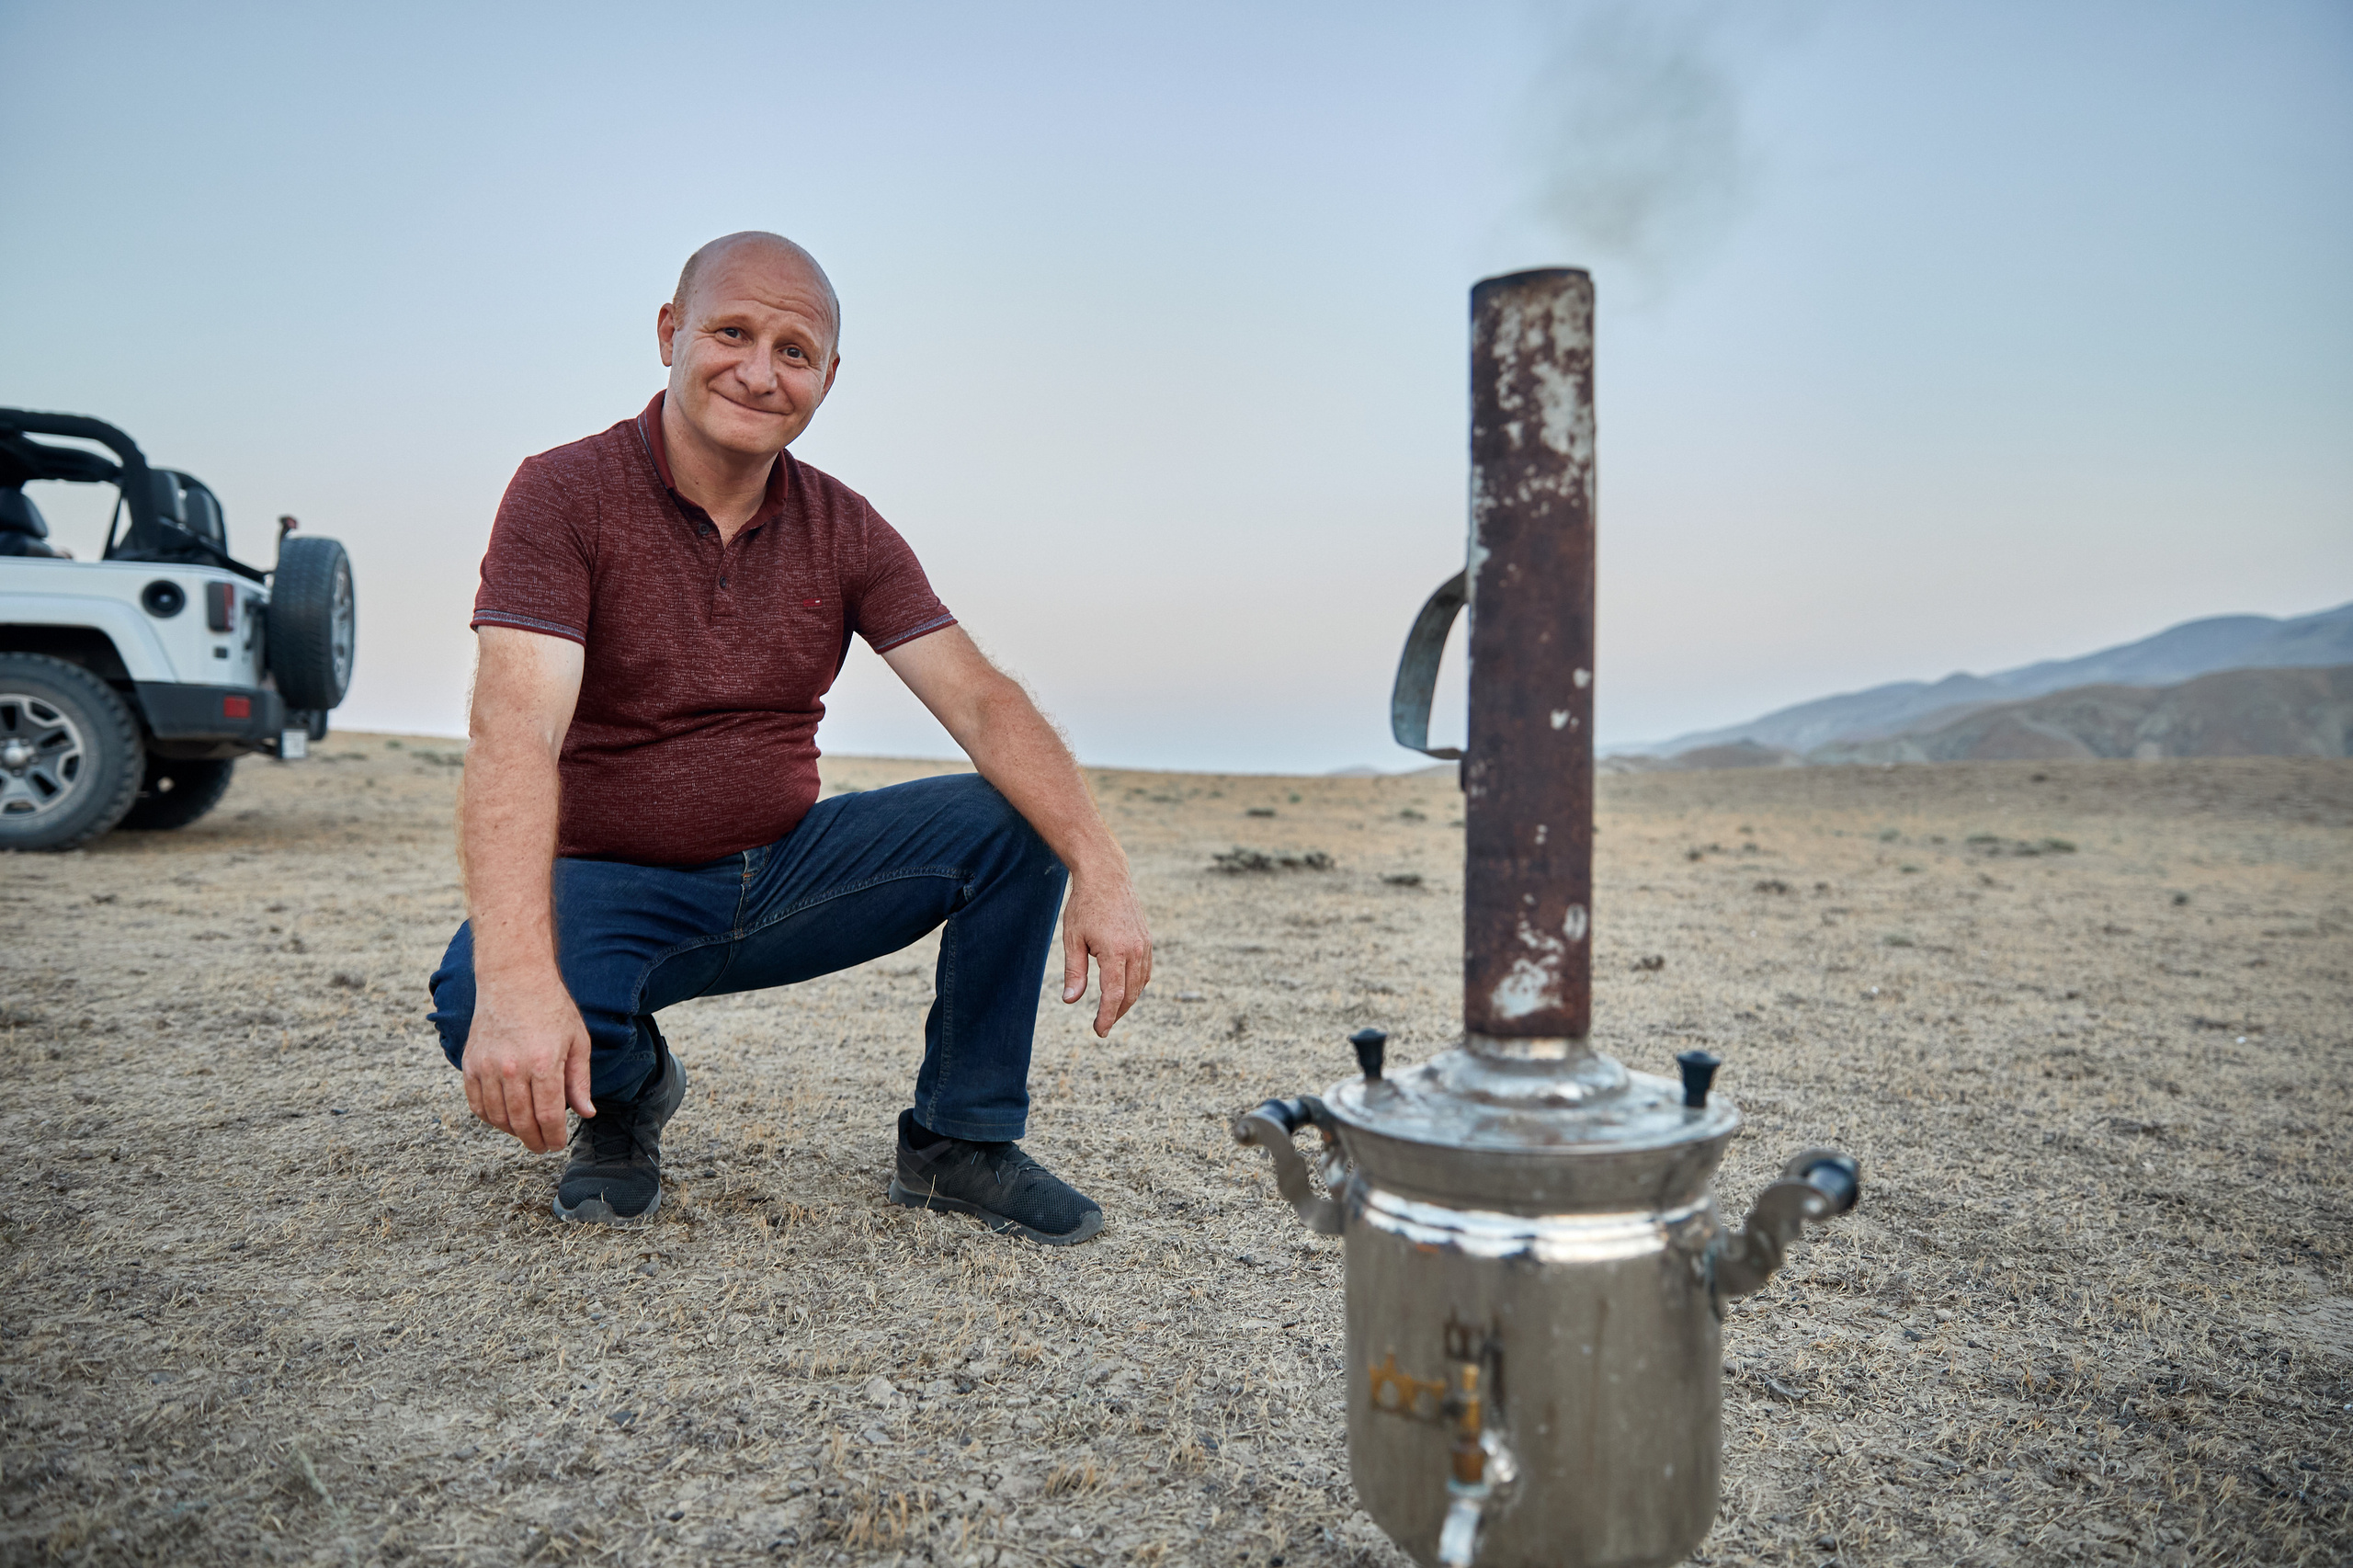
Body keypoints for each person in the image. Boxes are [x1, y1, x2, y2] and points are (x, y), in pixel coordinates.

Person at [427, 232, 1152, 1244]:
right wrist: (516, 982)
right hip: (616, 880)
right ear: (671, 333)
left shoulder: (842, 524)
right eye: (731, 332)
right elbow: (515, 726)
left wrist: (1101, 863)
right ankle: (629, 1097)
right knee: (472, 994)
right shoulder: (564, 493)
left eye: (794, 350)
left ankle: (958, 1142)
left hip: (790, 872)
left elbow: (981, 698)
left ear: (828, 377)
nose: (759, 372)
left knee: (1012, 817)